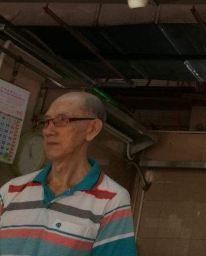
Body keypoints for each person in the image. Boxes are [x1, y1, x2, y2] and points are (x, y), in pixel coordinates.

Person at [0, 91, 137, 255]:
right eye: (46, 122)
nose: (48, 131)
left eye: (61, 120)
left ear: (92, 129)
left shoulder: (112, 199)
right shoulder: (11, 190)